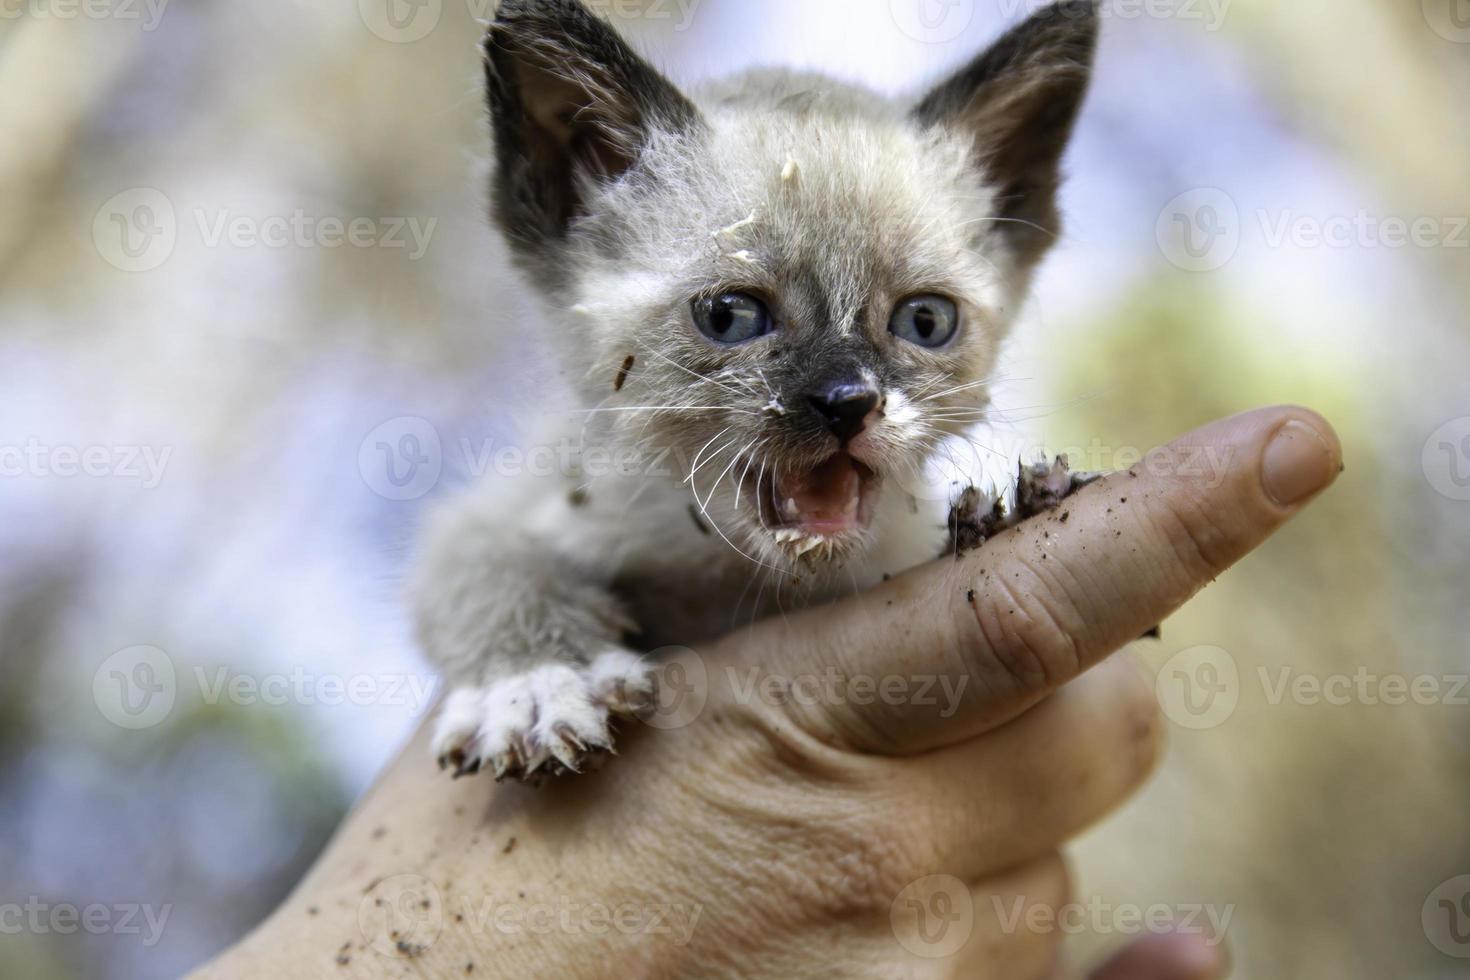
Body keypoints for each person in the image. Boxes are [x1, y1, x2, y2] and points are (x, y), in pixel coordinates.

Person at [199, 406, 1341, 978]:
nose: (843, 386)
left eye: (921, 320)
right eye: (731, 314)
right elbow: (476, 554)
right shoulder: (589, 477)